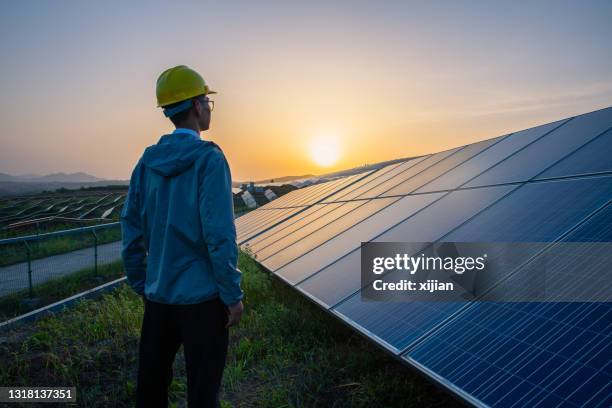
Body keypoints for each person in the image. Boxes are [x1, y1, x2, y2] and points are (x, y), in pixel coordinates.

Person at [120, 65, 244, 408]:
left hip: (158, 298)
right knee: (202, 394)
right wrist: (232, 295)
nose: (208, 108)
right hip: (203, 302)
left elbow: (130, 228)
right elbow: (219, 235)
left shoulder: (146, 162)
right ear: (196, 106)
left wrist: (141, 283)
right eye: (207, 100)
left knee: (151, 390)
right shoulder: (209, 159)